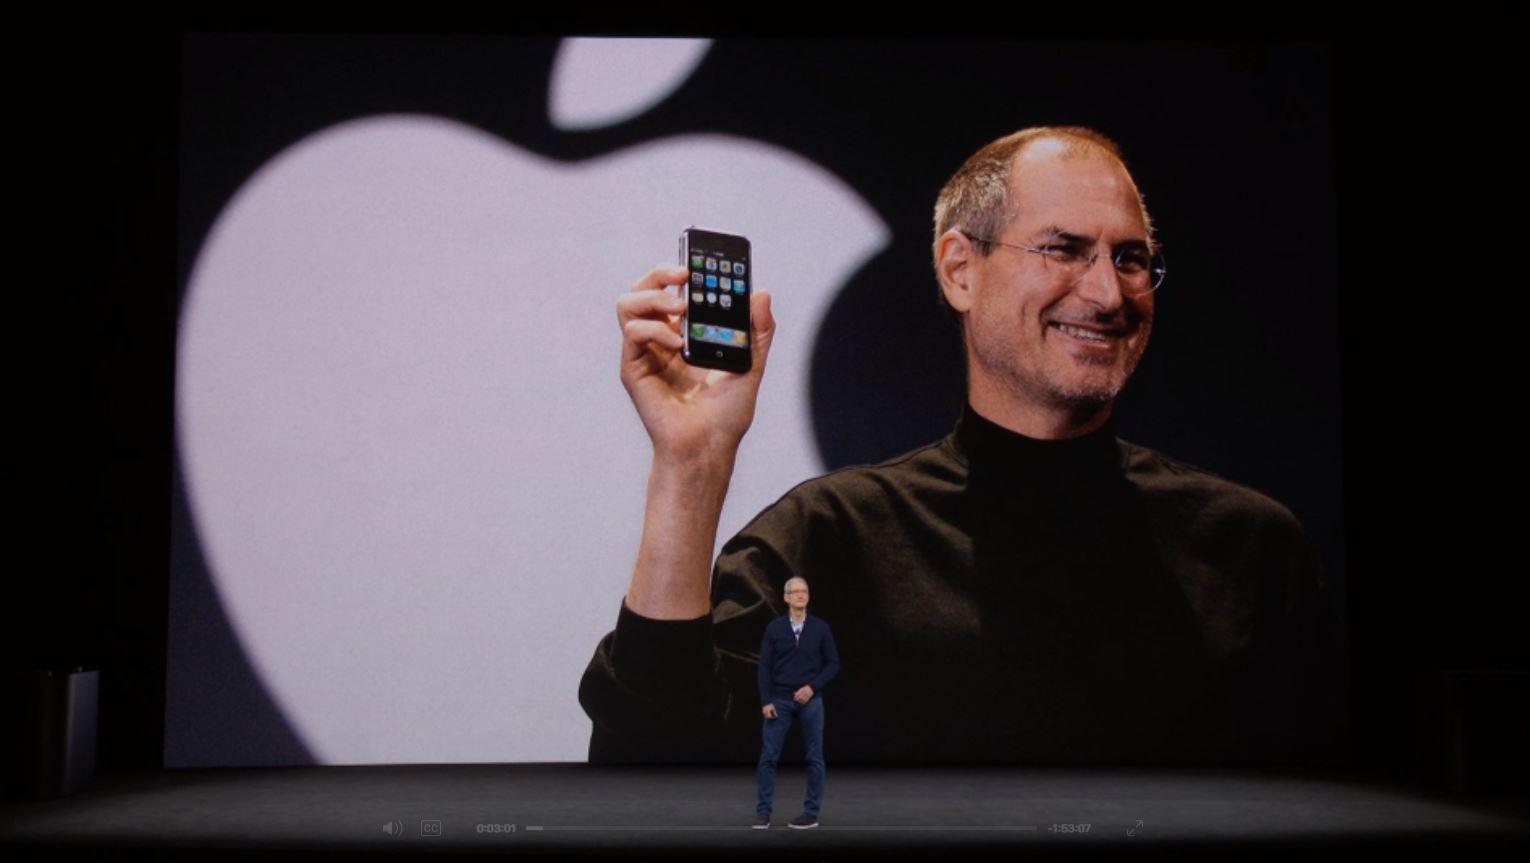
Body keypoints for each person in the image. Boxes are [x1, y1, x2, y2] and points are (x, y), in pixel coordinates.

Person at [579, 125, 1345, 769]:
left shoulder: (1251, 547)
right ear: (959, 269)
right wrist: (691, 462)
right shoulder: (830, 540)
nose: (1109, 293)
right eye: (1064, 248)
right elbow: (650, 762)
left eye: (1132, 258)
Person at [754, 577, 839, 829]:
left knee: (815, 758)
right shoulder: (775, 628)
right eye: (795, 592)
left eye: (804, 591)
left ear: (808, 597)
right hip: (779, 701)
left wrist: (812, 687)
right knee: (768, 757)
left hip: (811, 702)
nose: (801, 595)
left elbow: (833, 663)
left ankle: (811, 813)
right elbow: (764, 667)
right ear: (786, 597)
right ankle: (763, 813)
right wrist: (765, 700)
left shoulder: (821, 628)